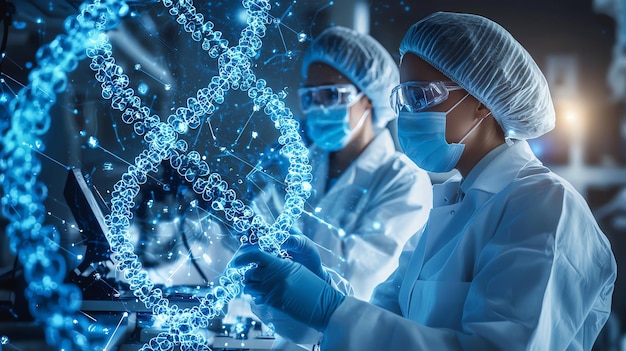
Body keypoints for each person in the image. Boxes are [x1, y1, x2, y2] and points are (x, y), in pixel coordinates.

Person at [232, 12, 617, 350]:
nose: (407, 115)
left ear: (482, 100)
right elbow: (389, 321)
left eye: (421, 97)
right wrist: (322, 297)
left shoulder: (543, 204)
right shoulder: (451, 207)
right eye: (402, 100)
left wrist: (331, 312)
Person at [249, 25, 432, 301]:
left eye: (332, 95)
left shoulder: (403, 181)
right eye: (311, 97)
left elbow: (359, 280)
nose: (319, 108)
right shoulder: (292, 169)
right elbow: (245, 253)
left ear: (369, 99)